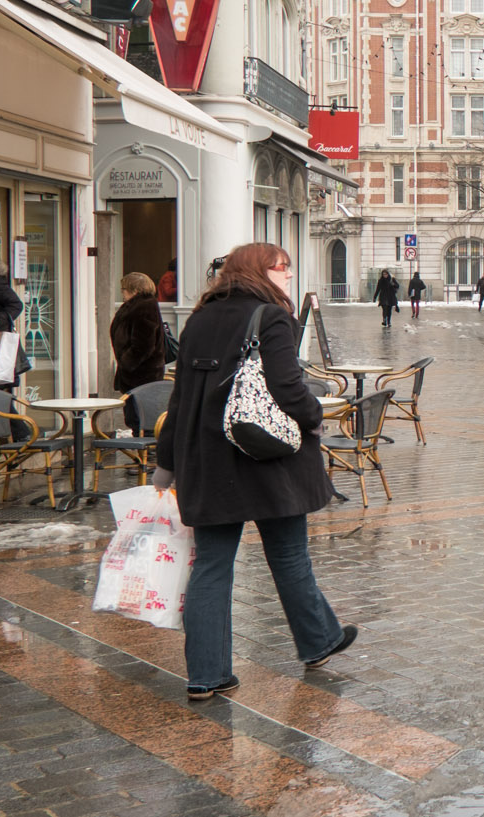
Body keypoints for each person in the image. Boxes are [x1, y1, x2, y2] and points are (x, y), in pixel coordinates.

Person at [152, 242, 355, 701]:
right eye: (279, 267)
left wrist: (166, 463)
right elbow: (287, 386)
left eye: (287, 266)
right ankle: (318, 640)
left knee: (211, 566)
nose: (286, 274)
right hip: (267, 459)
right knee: (288, 557)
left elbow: (180, 397)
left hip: (207, 461)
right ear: (257, 271)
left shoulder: (200, 318)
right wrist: (313, 415)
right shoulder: (272, 317)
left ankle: (207, 674)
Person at [110, 272, 166, 397]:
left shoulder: (144, 307)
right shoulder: (135, 306)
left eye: (123, 289)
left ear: (134, 290)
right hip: (135, 375)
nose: (122, 293)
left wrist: (127, 363)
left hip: (141, 376)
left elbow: (144, 344)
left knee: (137, 413)